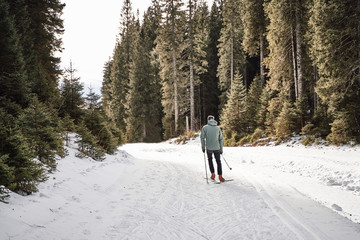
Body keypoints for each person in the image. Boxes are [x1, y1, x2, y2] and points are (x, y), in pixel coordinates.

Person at [200, 115, 225, 182]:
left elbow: (202, 138)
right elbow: (221, 139)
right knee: (218, 161)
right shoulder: (218, 128)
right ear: (214, 120)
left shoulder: (205, 128)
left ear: (208, 120)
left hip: (209, 148)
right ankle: (220, 176)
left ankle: (213, 174)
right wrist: (221, 149)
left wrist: (203, 147)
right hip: (217, 147)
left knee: (210, 160)